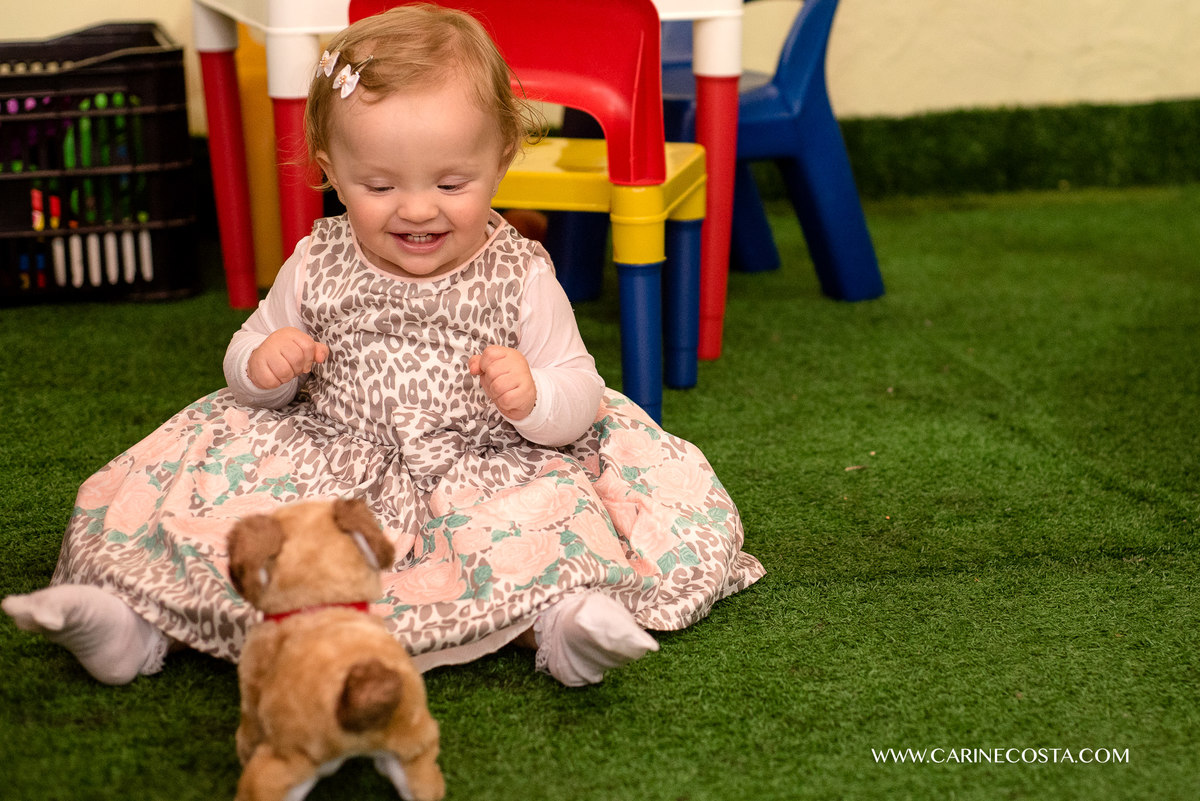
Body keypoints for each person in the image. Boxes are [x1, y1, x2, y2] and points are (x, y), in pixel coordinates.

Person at [3, 4, 764, 688]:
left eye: (451, 182)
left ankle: (565, 627)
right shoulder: (318, 257)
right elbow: (249, 354)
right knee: (215, 517)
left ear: (501, 162)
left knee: (547, 523)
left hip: (482, 464)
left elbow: (580, 389)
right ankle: (129, 625)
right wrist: (265, 365)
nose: (418, 209)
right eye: (379, 186)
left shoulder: (520, 273)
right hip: (328, 455)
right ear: (332, 175)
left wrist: (536, 396)